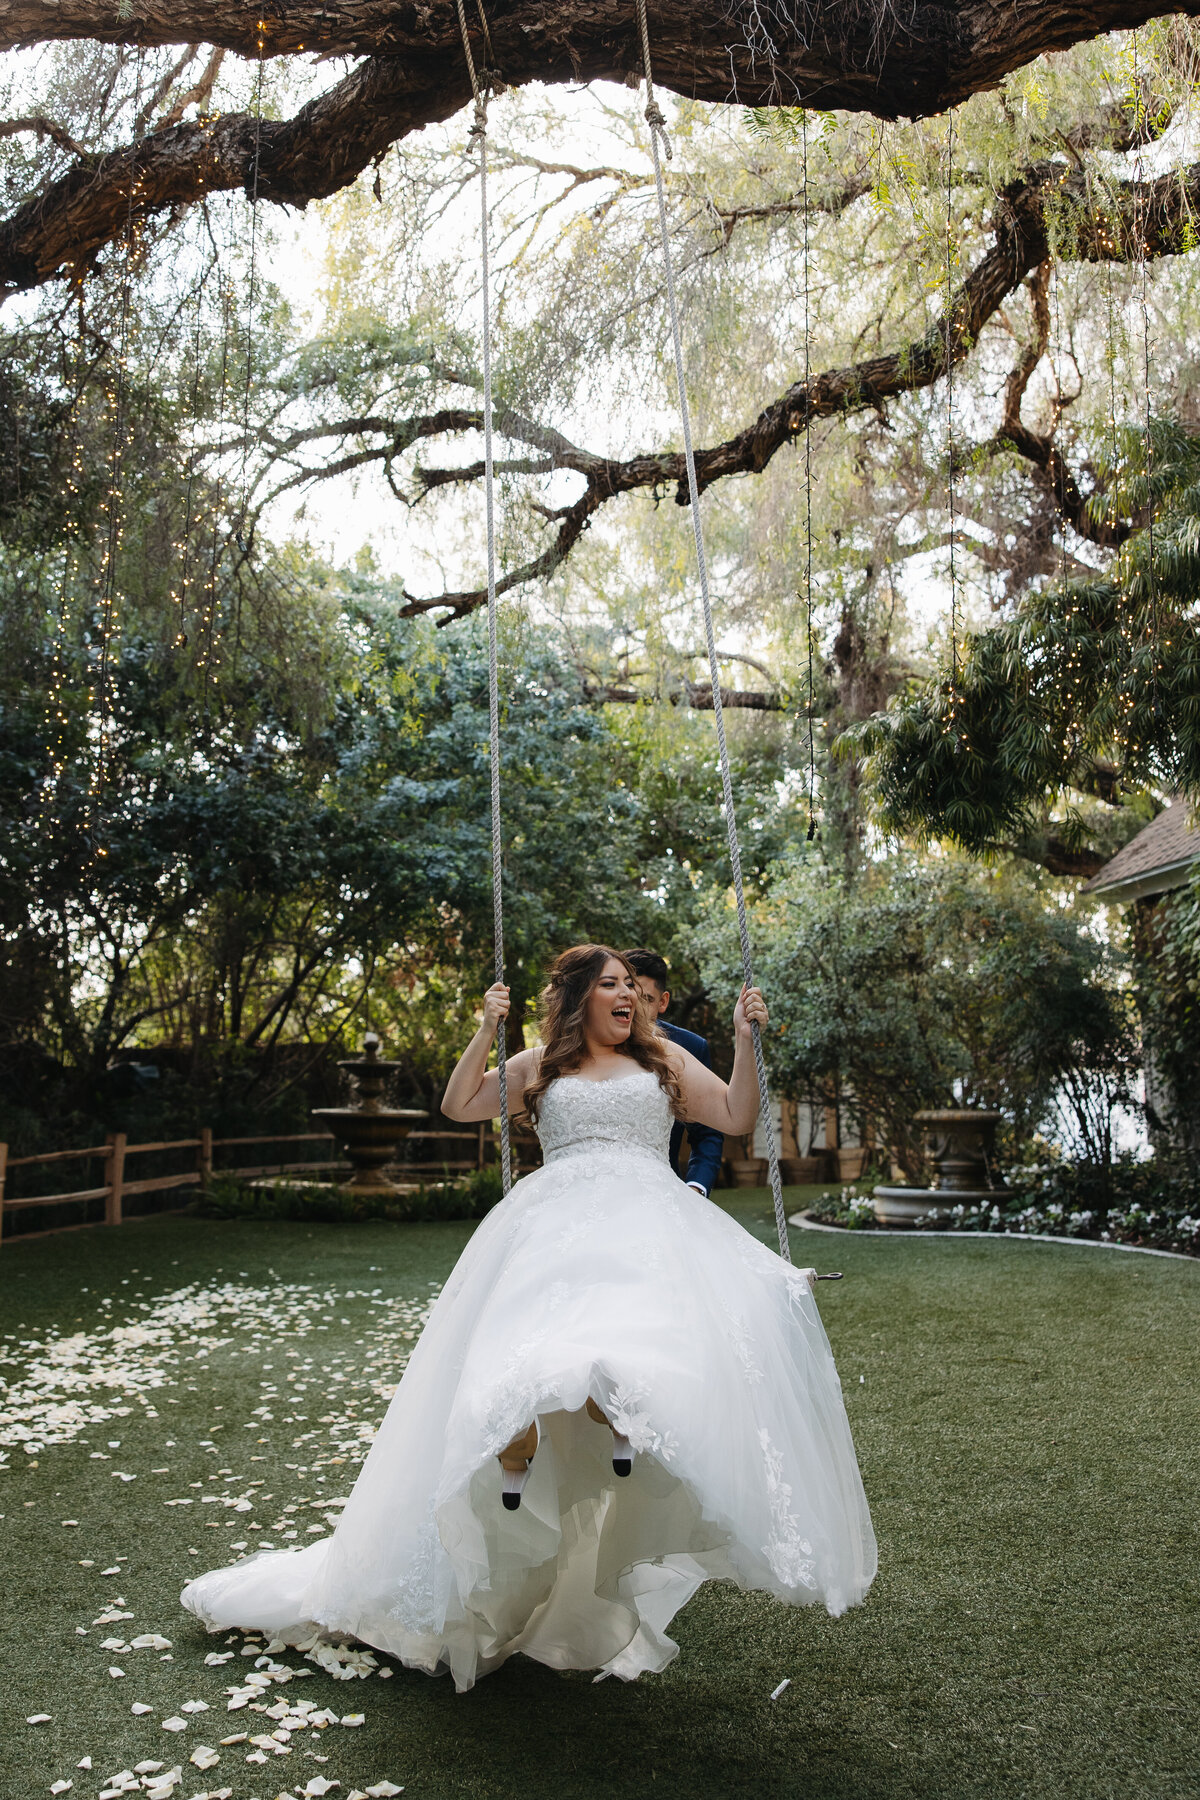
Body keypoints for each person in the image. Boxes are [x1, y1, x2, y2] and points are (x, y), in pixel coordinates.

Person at [181, 945, 875, 1692]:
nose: (626, 997)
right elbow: (460, 1104)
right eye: (609, 986)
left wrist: (745, 1039)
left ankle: (610, 1414)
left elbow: (738, 1115)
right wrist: (487, 1027)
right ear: (576, 998)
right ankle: (520, 1438)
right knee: (542, 1340)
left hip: (647, 1220)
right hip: (556, 1221)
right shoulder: (540, 1063)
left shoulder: (665, 1061)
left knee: (637, 1341)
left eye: (629, 988)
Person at [622, 947, 724, 1196]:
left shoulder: (689, 1047)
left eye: (646, 999)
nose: (633, 1007)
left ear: (663, 1002)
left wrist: (696, 1187)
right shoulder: (590, 1043)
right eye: (628, 995)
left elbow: (707, 1132)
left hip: (664, 1192)